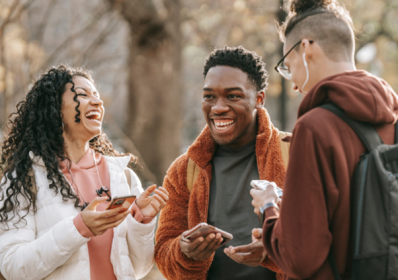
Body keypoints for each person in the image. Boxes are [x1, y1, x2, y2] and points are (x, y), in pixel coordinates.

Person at [250, 0, 398, 279]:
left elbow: (300, 257)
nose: (293, 83)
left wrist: (269, 208)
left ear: (306, 48)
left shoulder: (314, 128)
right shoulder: (393, 117)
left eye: (287, 65)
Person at [0, 65, 169, 280]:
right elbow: (13, 268)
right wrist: (78, 229)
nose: (98, 102)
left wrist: (141, 221)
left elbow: (139, 268)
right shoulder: (24, 179)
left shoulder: (122, 175)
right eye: (82, 95)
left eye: (97, 96)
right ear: (55, 109)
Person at [155, 46, 290, 280]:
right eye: (209, 96)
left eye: (233, 96)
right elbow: (163, 253)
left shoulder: (295, 153)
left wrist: (272, 250)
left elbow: (322, 241)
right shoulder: (184, 170)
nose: (218, 107)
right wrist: (185, 251)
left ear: (259, 99)